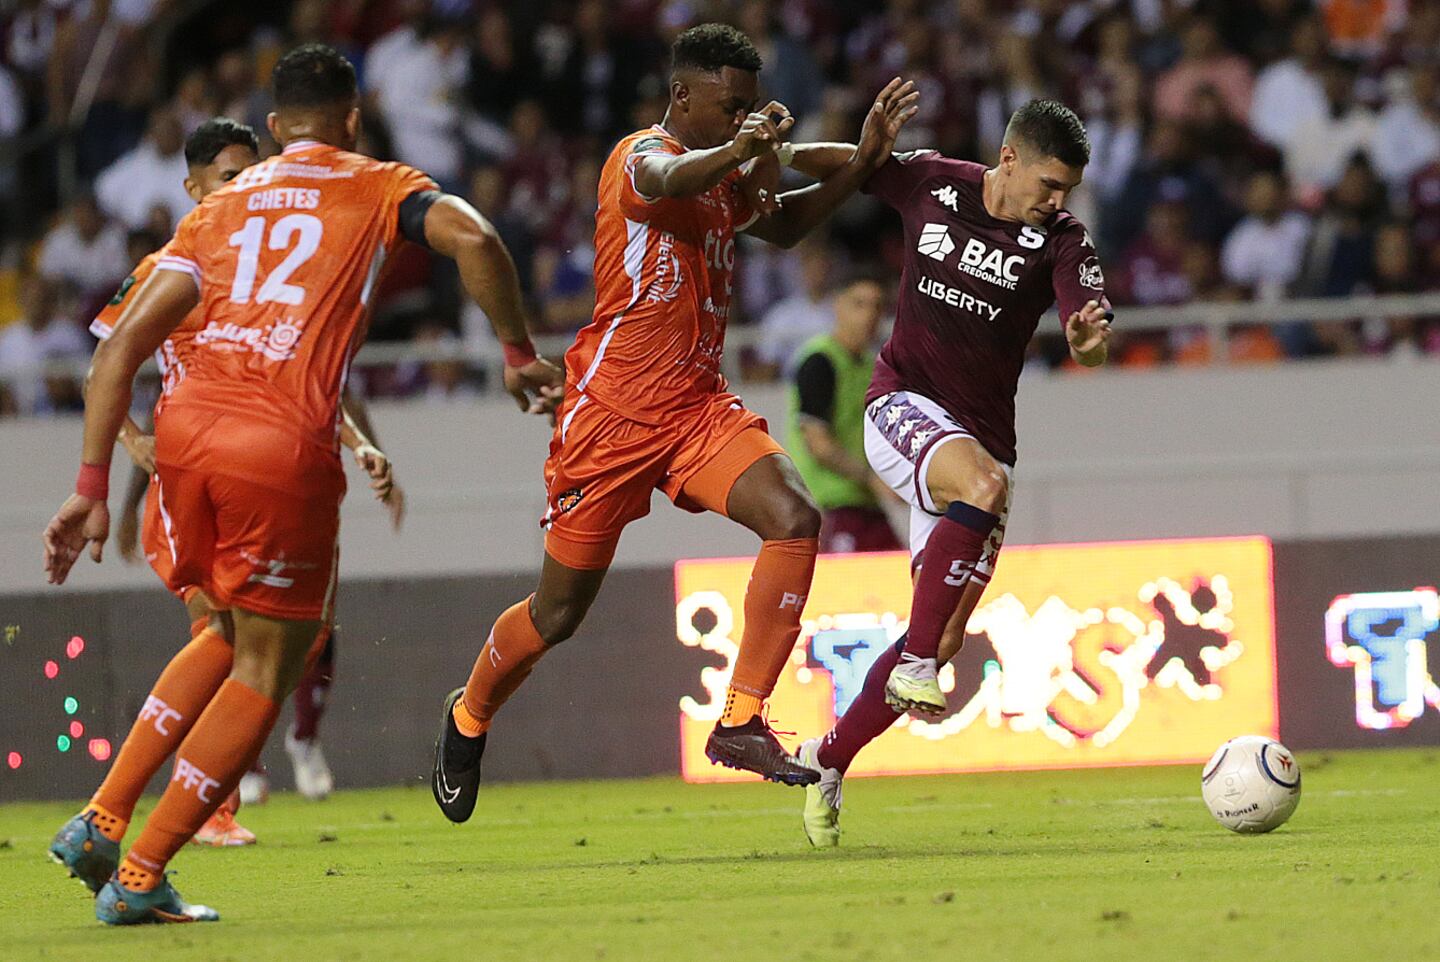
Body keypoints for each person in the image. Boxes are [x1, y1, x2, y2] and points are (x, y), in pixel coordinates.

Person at [42, 43, 561, 925]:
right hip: (276, 442)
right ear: (353, 118)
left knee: (223, 630)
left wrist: (90, 485)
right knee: (274, 661)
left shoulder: (216, 209)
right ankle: (142, 874)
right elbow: (474, 235)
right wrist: (515, 352)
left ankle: (103, 815)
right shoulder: (378, 185)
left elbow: (118, 348)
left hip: (185, 440)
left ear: (275, 126)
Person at [430, 23, 919, 823]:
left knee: (795, 516)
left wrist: (863, 160)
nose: (739, 119)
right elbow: (668, 176)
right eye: (728, 107)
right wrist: (742, 150)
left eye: (748, 107)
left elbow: (784, 223)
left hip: (696, 409)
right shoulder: (640, 156)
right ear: (682, 94)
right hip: (611, 419)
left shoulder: (724, 174)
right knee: (558, 614)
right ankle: (470, 712)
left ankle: (740, 721)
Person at [784, 99, 1113, 846]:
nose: (1057, 199)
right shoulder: (936, 184)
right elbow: (860, 163)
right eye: (1049, 183)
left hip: (983, 445)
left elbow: (1088, 339)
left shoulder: (1064, 242)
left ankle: (826, 760)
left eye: (1067, 189)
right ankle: (909, 669)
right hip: (900, 406)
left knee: (939, 640)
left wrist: (1088, 342)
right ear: (1008, 159)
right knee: (980, 493)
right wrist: (780, 153)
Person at [786, 272, 903, 553]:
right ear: (838, 305)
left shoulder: (873, 367)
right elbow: (819, 444)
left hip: (865, 503)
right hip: (827, 505)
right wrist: (873, 479)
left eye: (877, 306)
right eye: (859, 304)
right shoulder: (820, 361)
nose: (869, 315)